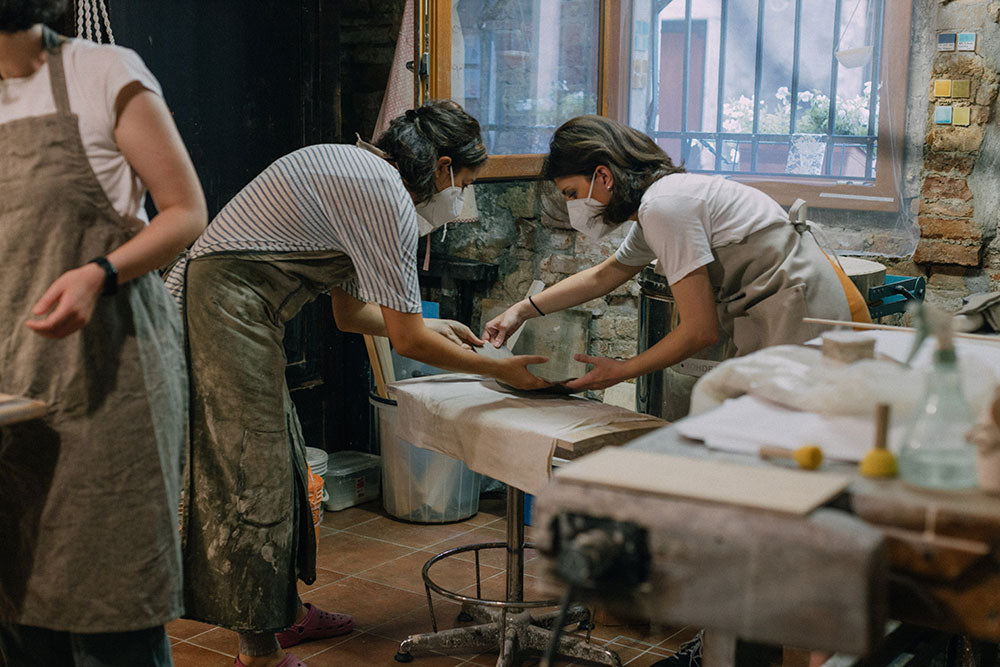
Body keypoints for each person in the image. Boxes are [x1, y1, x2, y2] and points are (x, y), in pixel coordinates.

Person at [165, 100, 549, 667]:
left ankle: (286, 614)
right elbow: (408, 343)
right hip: (215, 307)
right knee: (251, 470)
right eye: (464, 182)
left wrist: (433, 321)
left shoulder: (361, 170)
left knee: (284, 455)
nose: (461, 198)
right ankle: (259, 649)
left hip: (239, 310)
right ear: (442, 167)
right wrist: (502, 369)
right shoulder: (384, 195)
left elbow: (351, 316)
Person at [0, 2, 208, 665]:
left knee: (112, 616)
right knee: (23, 614)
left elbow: (185, 210)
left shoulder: (101, 71)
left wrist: (99, 273)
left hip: (107, 382)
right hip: (11, 385)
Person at [484, 115, 869, 393]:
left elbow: (700, 331)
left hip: (797, 304)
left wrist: (621, 371)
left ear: (603, 176)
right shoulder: (658, 205)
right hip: (774, 305)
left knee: (794, 430)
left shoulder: (664, 207)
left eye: (571, 193)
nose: (572, 207)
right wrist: (522, 309)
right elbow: (606, 275)